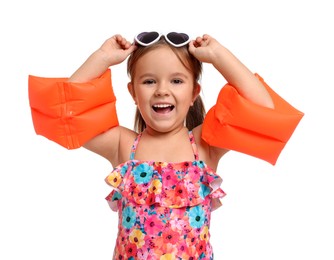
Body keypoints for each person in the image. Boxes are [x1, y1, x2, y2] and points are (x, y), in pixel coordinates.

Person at [28, 32, 304, 259]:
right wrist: (101, 59)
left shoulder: (205, 143)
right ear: (133, 93)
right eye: (149, 81)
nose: (162, 89)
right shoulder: (123, 146)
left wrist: (220, 56)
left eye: (176, 80)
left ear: (194, 92)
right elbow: (65, 114)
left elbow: (262, 110)